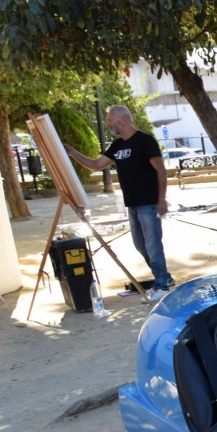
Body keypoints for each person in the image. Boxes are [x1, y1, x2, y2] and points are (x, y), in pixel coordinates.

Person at [64, 105, 174, 301]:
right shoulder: (117, 145)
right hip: (132, 204)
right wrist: (73, 153)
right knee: (140, 245)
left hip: (149, 203)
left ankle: (161, 285)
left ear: (122, 119)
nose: (108, 124)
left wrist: (161, 199)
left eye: (110, 120)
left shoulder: (145, 141)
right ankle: (164, 276)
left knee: (153, 245)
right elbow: (96, 165)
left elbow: (161, 170)